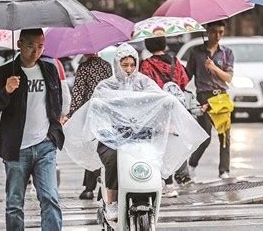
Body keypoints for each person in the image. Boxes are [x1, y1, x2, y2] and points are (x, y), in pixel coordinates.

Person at [62, 43, 208, 221]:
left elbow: (159, 97)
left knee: (154, 155)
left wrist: (169, 101)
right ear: (117, 65)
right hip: (111, 138)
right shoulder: (106, 85)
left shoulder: (144, 82)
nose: (129, 69)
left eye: (132, 65)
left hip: (142, 136)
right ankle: (111, 201)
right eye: (125, 65)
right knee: (113, 157)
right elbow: (97, 104)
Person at [0, 28, 64, 231]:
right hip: (16, 149)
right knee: (14, 204)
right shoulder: (4, 72)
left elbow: (56, 101)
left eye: (40, 46)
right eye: (30, 45)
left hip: (45, 146)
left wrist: (55, 127)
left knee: (50, 198)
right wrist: (7, 90)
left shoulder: (49, 69)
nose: (36, 51)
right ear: (19, 44)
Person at [140, 36, 190, 197]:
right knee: (173, 144)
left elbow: (143, 87)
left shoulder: (147, 65)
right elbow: (184, 82)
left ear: (148, 46)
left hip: (158, 110)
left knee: (159, 146)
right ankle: (174, 180)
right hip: (176, 109)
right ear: (164, 44)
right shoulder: (175, 61)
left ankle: (166, 183)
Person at [186, 20, 234, 179]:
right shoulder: (196, 52)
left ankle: (224, 170)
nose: (218, 36)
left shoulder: (227, 52)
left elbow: (228, 77)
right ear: (207, 31)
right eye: (214, 32)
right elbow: (187, 75)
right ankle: (191, 165)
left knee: (225, 137)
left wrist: (214, 68)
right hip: (203, 97)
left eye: (221, 32)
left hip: (221, 97)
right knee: (205, 136)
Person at [60, 54, 112, 200]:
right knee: (104, 148)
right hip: (106, 111)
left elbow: (78, 94)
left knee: (92, 148)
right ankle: (101, 186)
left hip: (89, 114)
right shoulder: (107, 65)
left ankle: (89, 188)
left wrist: (71, 115)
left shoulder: (84, 67)